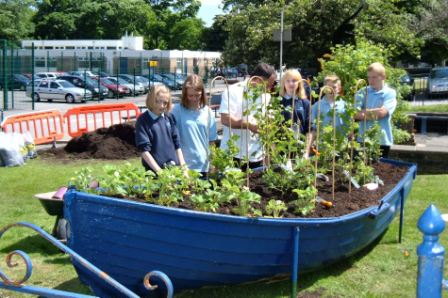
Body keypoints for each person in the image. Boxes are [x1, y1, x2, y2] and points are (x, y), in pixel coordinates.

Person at [219, 62, 276, 169]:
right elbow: (225, 119)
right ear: (259, 80)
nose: (271, 87)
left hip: (257, 155)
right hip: (234, 153)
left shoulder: (266, 96)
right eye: (269, 84)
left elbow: (268, 120)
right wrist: (248, 125)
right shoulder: (233, 91)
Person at [172, 74, 217, 177]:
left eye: (197, 95)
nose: (194, 99)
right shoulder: (177, 110)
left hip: (203, 165)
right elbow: (171, 139)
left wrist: (213, 163)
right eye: (190, 95)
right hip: (184, 167)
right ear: (185, 94)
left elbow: (211, 141)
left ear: (202, 93)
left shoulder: (208, 112)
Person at [135, 84, 187, 173]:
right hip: (154, 173)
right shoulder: (143, 120)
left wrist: (184, 168)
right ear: (151, 100)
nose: (162, 105)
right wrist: (160, 172)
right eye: (158, 101)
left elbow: (177, 146)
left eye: (165, 103)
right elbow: (144, 151)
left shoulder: (170, 118)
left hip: (175, 170)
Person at [354, 62, 397, 158]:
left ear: (383, 77)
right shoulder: (362, 92)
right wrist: (375, 112)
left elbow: (382, 113)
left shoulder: (389, 93)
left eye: (374, 77)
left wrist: (364, 112)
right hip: (363, 139)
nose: (370, 80)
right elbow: (354, 114)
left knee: (380, 169)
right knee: (363, 169)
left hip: (382, 140)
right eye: (369, 77)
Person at [305, 74, 348, 157]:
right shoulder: (316, 107)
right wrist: (307, 151)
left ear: (339, 88)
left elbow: (350, 130)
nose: (331, 90)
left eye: (334, 87)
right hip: (322, 150)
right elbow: (312, 131)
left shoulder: (345, 106)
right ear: (324, 89)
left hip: (341, 151)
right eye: (328, 87)